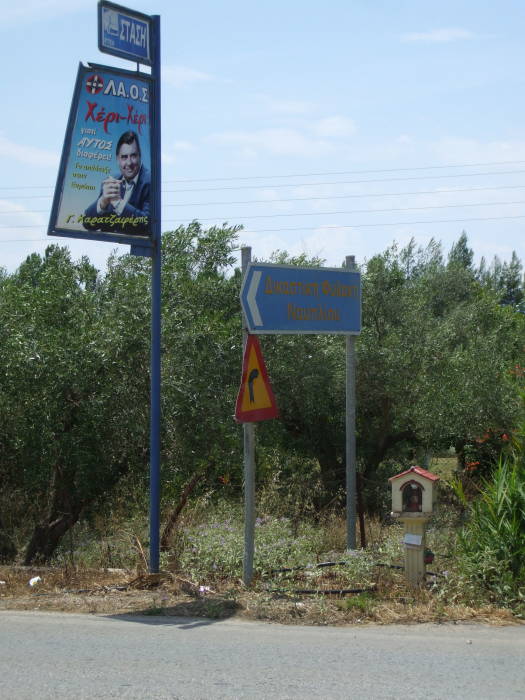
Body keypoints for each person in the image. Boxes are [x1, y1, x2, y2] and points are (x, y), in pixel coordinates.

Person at [82, 130, 150, 235]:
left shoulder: (150, 181)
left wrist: (118, 203)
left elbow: (148, 224)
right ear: (117, 159)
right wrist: (103, 203)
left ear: (140, 156)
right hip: (110, 249)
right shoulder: (112, 181)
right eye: (124, 157)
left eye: (133, 156)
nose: (129, 163)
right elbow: (87, 223)